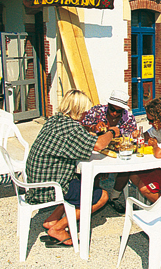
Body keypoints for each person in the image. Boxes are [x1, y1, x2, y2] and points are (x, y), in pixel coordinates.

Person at [25, 89, 116, 247]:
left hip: (36, 180)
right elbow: (100, 144)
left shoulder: (55, 120)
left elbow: (78, 137)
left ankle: (51, 219)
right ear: (78, 110)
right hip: (49, 187)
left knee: (82, 181)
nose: (85, 114)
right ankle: (58, 228)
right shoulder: (71, 128)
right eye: (84, 111)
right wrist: (112, 132)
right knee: (102, 196)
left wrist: (92, 130)